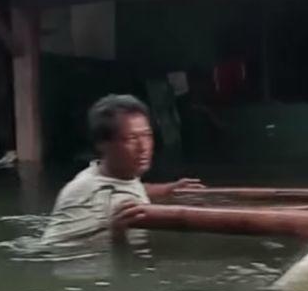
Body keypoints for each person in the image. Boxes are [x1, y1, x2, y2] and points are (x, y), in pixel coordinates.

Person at [42, 94, 204, 244]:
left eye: (147, 135)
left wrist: (168, 189)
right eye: (131, 138)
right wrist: (117, 236)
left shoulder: (116, 174)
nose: (143, 147)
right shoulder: (86, 192)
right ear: (103, 144)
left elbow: (133, 187)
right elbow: (54, 252)